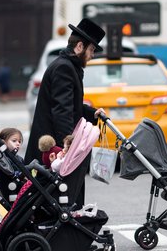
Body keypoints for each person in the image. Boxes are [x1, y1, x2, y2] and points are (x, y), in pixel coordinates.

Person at [24, 18, 106, 207]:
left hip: (54, 143)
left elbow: (72, 104)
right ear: (79, 46)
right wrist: (67, 146)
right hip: (53, 147)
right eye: (92, 50)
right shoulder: (64, 68)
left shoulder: (68, 66)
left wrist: (91, 113)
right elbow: (62, 111)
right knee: (62, 199)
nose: (92, 55)